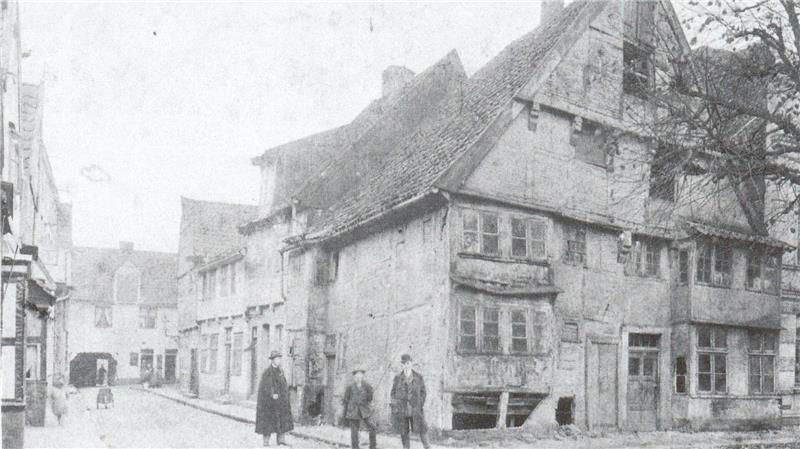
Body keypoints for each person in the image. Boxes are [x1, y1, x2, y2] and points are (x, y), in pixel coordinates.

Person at [390, 354, 429, 449]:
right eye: (404, 364)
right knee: (403, 431)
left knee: (422, 428)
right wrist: (396, 404)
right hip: (402, 408)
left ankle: (427, 446)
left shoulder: (418, 377)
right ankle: (406, 447)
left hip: (415, 408)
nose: (406, 366)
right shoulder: (397, 377)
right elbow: (393, 392)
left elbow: (423, 392)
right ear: (402, 365)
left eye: (408, 363)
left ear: (411, 363)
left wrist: (420, 403)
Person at [256, 351, 293, 446]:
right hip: (269, 402)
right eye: (277, 359)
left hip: (280, 401)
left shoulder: (281, 371)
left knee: (281, 419)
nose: (278, 361)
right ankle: (266, 441)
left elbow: (283, 384)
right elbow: (265, 386)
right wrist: (271, 394)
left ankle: (281, 440)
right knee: (268, 421)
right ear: (272, 360)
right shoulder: (267, 372)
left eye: (279, 359)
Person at [342, 366, 377, 449]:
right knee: (354, 432)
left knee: (372, 428)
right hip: (353, 411)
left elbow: (370, 399)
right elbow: (346, 400)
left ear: (362, 376)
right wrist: (345, 415)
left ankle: (373, 447)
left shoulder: (367, 386)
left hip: (364, 410)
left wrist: (370, 393)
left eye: (360, 376)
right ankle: (355, 447)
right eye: (356, 376)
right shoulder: (350, 387)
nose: (358, 378)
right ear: (354, 377)